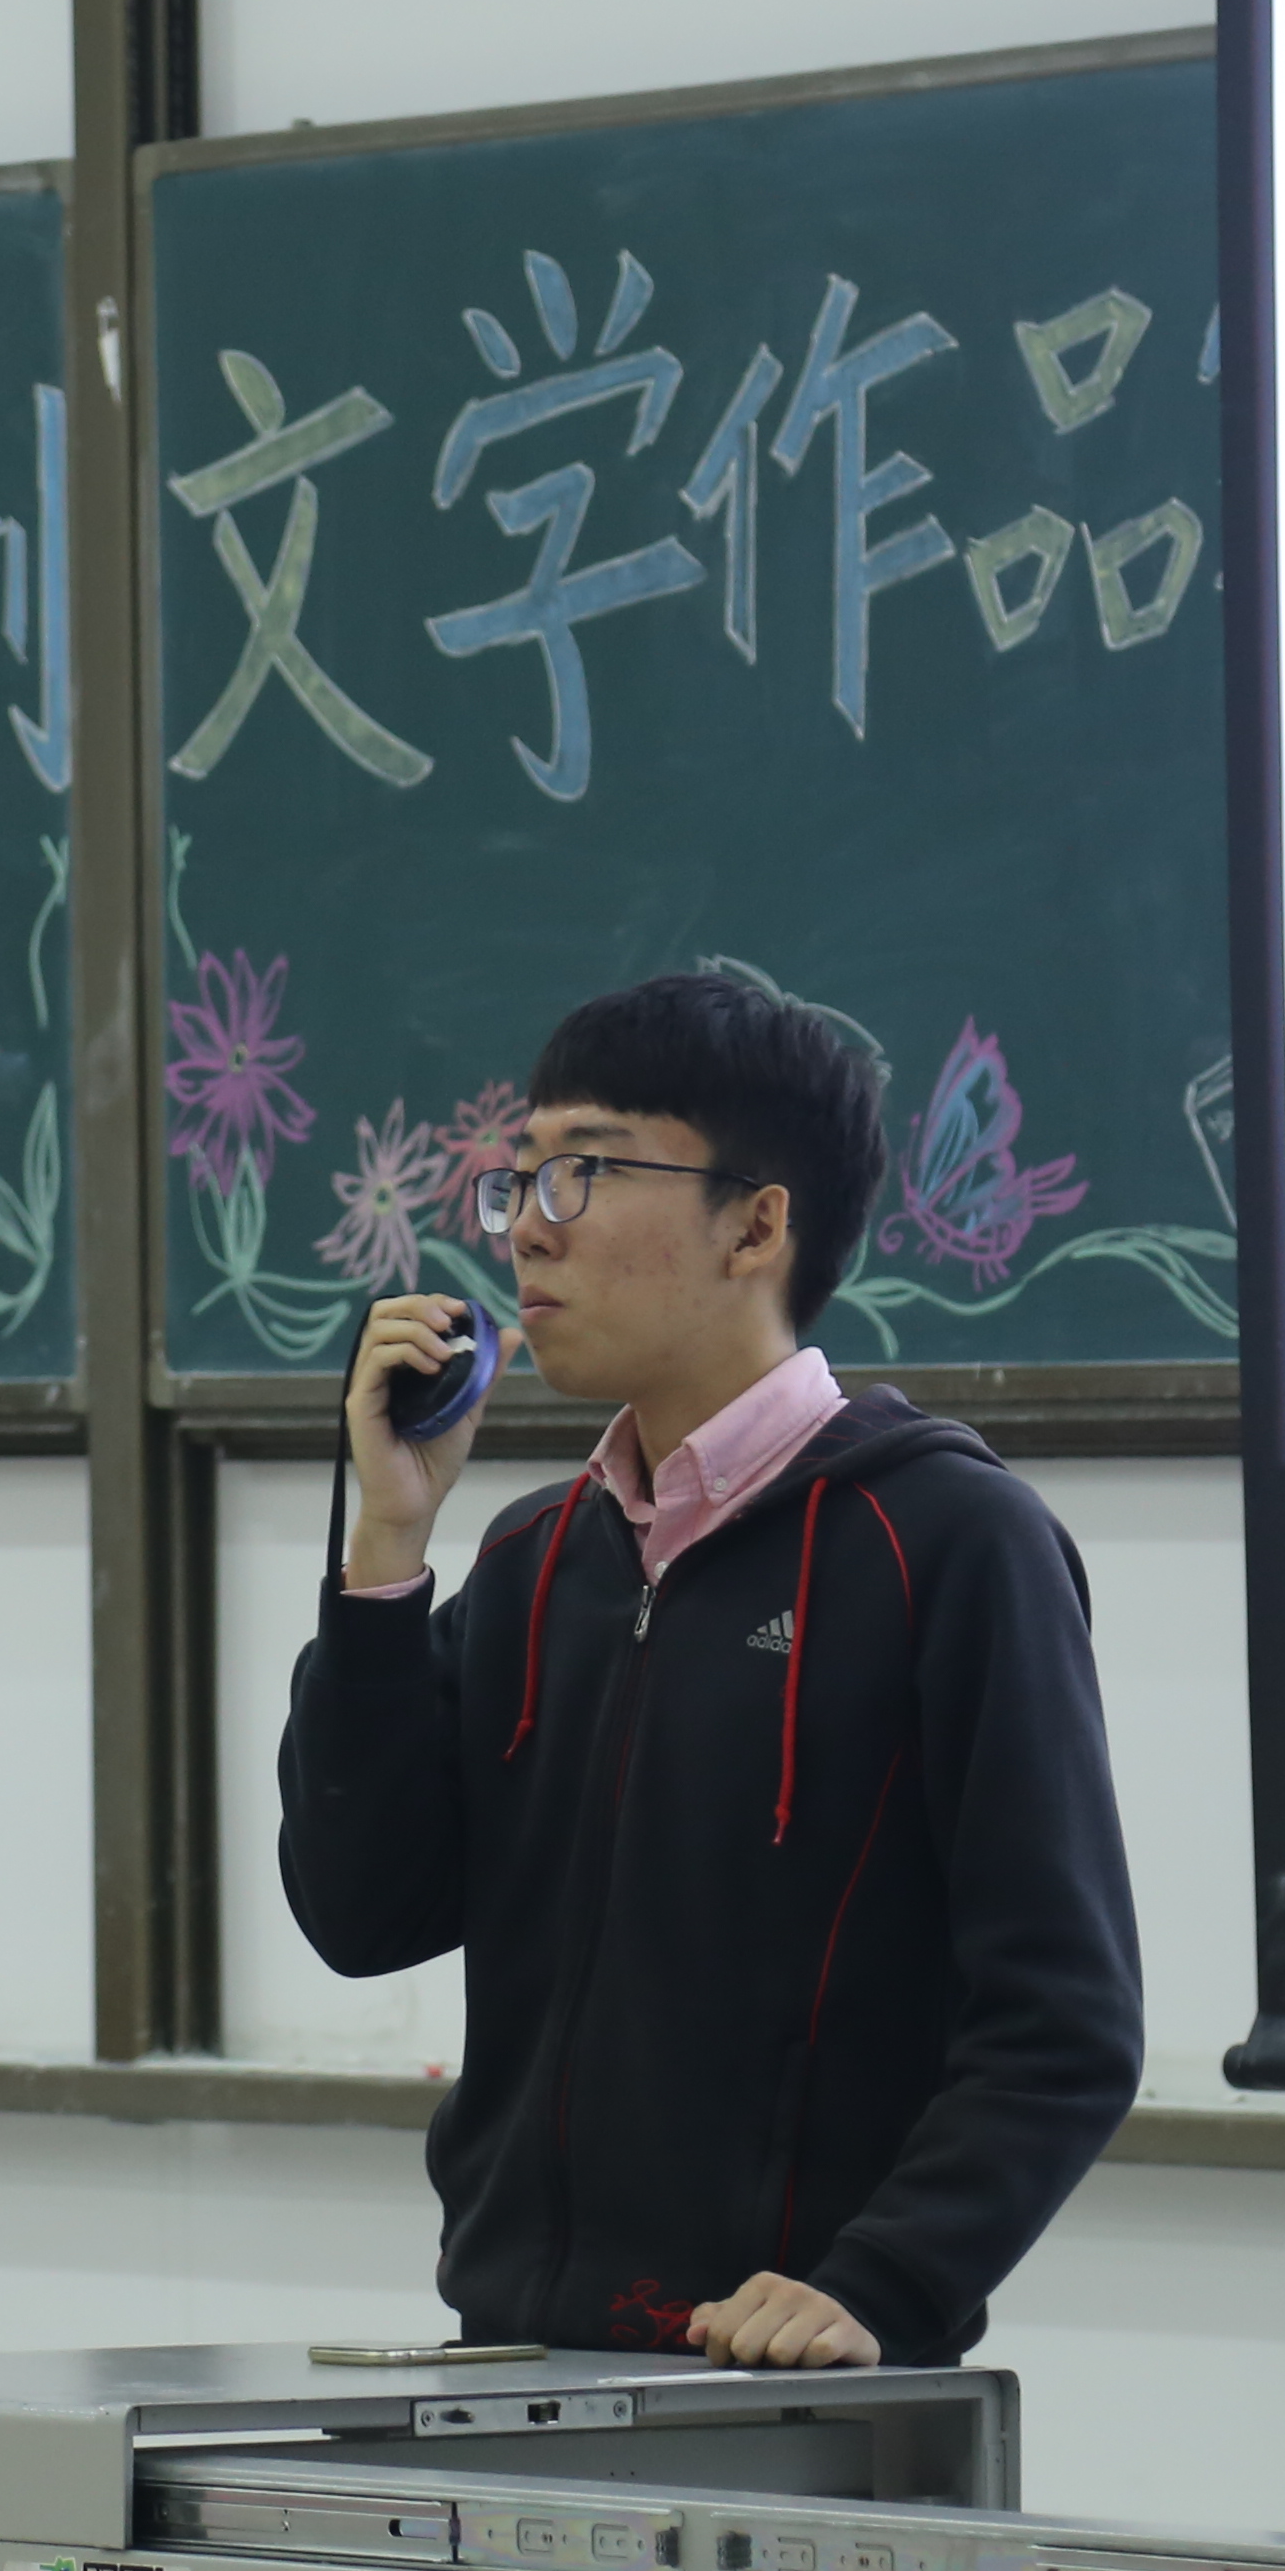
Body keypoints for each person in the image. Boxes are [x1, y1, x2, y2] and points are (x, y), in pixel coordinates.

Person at [279, 969, 1145, 2370]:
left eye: (585, 1170)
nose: (527, 1228)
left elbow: (1066, 2021)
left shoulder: (945, 1540)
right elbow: (362, 1913)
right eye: (519, 1178)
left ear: (755, 1224)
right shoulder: (535, 1560)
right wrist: (385, 1551)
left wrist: (888, 2281)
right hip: (515, 2361)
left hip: (793, 2380)